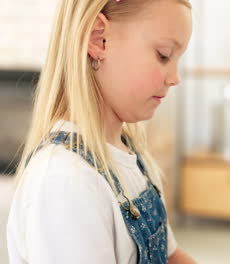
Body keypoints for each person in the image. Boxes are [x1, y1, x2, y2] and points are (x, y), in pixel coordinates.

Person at [6, 0, 194, 263]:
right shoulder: (65, 181)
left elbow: (170, 256)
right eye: (163, 55)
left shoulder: (132, 156)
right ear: (99, 39)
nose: (175, 77)